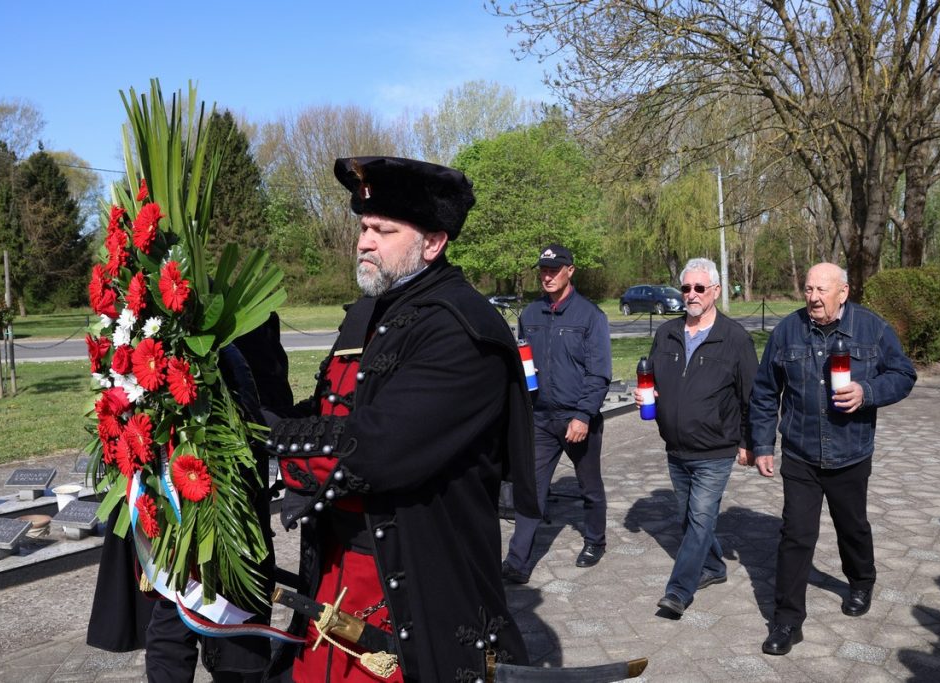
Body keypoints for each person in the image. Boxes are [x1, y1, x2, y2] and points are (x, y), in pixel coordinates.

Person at [263, 156, 538, 682]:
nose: (365, 240)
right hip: (336, 571)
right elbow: (329, 412)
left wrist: (271, 439)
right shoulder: (366, 314)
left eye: (384, 230)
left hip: (415, 581)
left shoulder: (463, 330)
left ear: (432, 243)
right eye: (364, 227)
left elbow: (377, 448)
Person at [88, 313, 292, 682]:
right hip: (181, 495)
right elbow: (274, 400)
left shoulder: (235, 323)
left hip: (218, 497)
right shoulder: (171, 319)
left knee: (196, 610)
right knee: (184, 608)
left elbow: (270, 400)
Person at [749, 263, 916, 656]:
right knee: (795, 536)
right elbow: (764, 391)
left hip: (850, 452)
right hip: (801, 453)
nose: (813, 298)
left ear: (843, 291)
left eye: (821, 290)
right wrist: (761, 444)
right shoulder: (788, 330)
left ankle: (861, 580)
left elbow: (904, 374)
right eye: (808, 289)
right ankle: (788, 621)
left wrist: (868, 391)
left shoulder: (871, 328)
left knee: (852, 526)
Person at [632, 257, 757, 617]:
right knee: (689, 520)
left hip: (716, 449)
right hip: (676, 448)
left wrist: (752, 443)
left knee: (701, 519)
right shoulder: (666, 333)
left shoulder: (735, 339)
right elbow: (652, 379)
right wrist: (647, 394)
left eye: (700, 288)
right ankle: (715, 567)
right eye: (686, 287)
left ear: (715, 291)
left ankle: (678, 591)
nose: (691, 294)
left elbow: (754, 397)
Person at [502, 243, 612, 584]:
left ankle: (595, 541)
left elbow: (599, 373)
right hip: (540, 418)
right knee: (531, 490)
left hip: (577, 418)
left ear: (570, 271)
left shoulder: (590, 316)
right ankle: (517, 562)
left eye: (554, 270)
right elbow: (523, 365)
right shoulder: (531, 315)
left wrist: (582, 415)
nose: (547, 276)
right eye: (544, 271)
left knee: (589, 487)